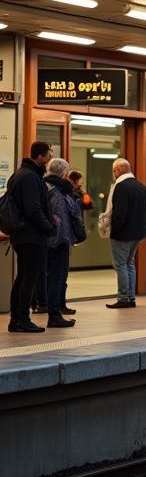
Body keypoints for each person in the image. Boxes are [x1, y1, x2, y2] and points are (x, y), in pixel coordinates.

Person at [6, 141, 56, 333]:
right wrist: (49, 226)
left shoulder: (19, 175)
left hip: (22, 235)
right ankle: (23, 320)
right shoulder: (30, 177)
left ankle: (15, 320)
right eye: (48, 155)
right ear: (40, 157)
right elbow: (33, 209)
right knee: (29, 278)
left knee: (22, 277)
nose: (49, 158)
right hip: (31, 236)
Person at [104, 158, 146, 309]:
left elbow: (120, 214)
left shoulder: (121, 187)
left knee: (120, 265)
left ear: (117, 171)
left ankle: (123, 298)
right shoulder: (141, 186)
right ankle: (131, 297)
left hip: (123, 234)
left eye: (114, 171)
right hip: (138, 234)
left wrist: (115, 231)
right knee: (129, 264)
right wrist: (144, 230)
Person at [43, 158, 83, 327]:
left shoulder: (44, 186)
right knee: (57, 276)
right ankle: (54, 313)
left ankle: (54, 309)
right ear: (65, 174)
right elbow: (61, 215)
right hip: (58, 240)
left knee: (49, 276)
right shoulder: (59, 190)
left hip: (46, 239)